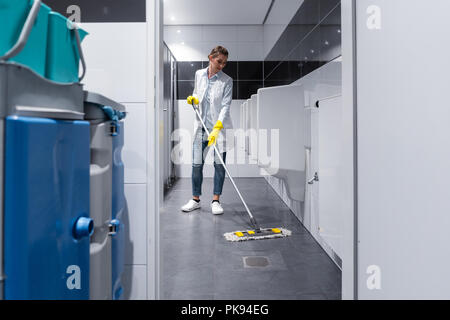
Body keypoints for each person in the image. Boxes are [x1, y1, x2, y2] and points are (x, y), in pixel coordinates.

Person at [181, 46, 233, 215]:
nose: (222, 66)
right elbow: (197, 94)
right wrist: (193, 99)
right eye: (219, 62)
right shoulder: (199, 74)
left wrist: (218, 127)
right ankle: (195, 199)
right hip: (201, 128)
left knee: (219, 165)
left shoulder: (227, 80)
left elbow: (225, 106)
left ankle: (216, 200)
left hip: (219, 129)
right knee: (197, 164)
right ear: (211, 57)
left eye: (224, 63)